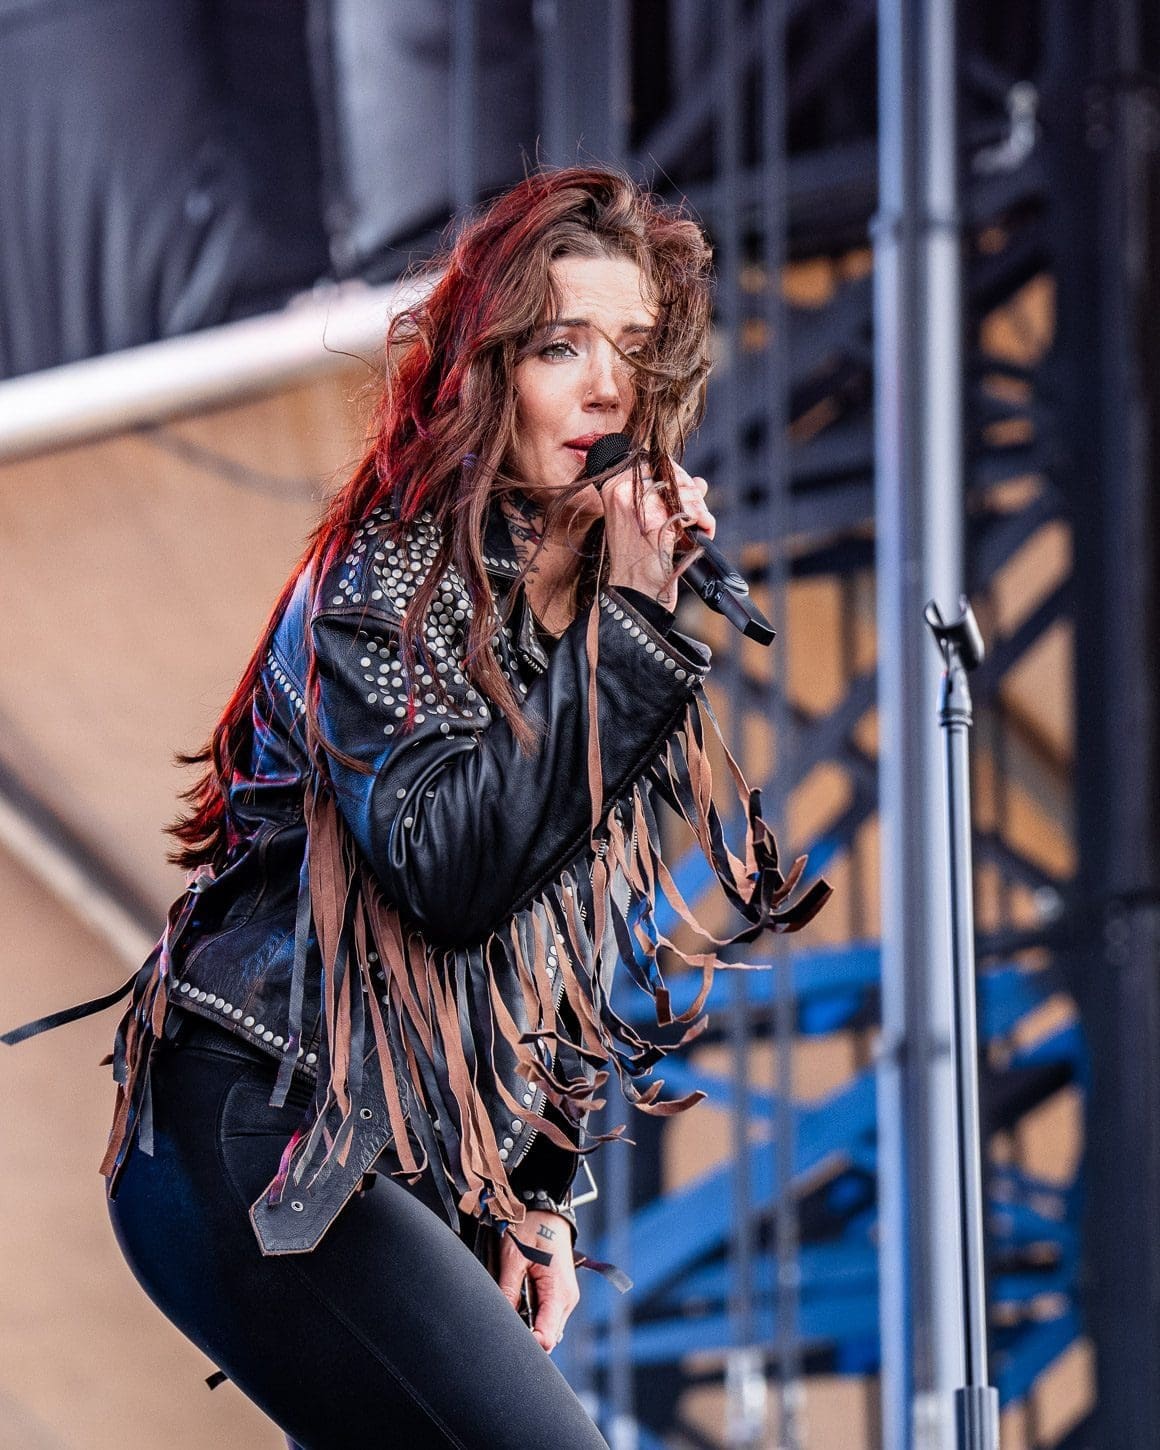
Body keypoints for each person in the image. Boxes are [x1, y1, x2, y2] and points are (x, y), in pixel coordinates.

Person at [5, 166, 828, 1449]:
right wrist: (626, 635)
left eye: (631, 355)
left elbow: (559, 942)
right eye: (561, 346)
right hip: (261, 1124)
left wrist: (535, 1196)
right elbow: (448, 871)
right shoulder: (395, 574)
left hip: (403, 1166)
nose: (606, 388)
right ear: (484, 370)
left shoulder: (585, 639)